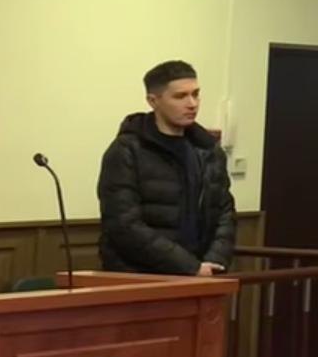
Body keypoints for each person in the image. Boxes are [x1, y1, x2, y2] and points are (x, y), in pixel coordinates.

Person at [97, 60, 237, 276]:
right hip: (139, 275)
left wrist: (213, 262)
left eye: (196, 94)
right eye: (180, 96)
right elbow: (124, 224)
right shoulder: (127, 150)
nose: (192, 104)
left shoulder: (207, 149)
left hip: (203, 272)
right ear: (153, 101)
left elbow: (224, 213)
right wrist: (188, 267)